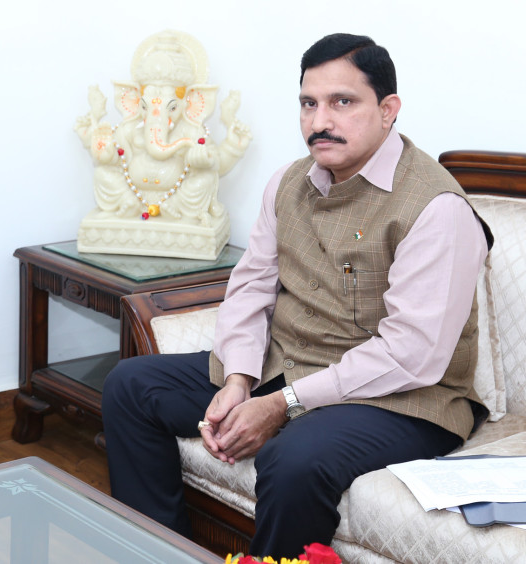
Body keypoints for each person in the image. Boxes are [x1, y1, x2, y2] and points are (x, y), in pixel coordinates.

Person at [102, 33, 492, 557]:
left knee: (293, 458)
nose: (319, 121)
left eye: (342, 102)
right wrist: (239, 378)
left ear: (388, 110)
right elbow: (250, 287)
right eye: (309, 103)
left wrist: (281, 405)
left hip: (403, 399)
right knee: (131, 385)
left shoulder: (436, 208)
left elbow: (412, 355)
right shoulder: (288, 183)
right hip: (287, 365)